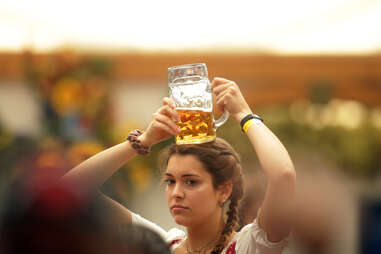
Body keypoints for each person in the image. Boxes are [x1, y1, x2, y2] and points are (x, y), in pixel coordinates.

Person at [61, 77, 296, 254]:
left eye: (191, 182)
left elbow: (283, 175)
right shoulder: (162, 244)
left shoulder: (249, 246)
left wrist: (245, 115)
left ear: (224, 190)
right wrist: (142, 142)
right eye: (170, 181)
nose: (176, 193)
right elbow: (70, 192)